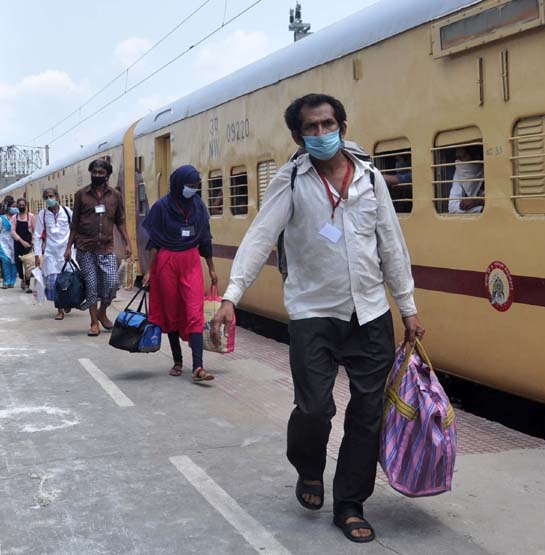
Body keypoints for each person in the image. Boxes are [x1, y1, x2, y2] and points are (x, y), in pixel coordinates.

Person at [211, 93, 424, 543]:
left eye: (329, 124)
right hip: (312, 313)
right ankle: (309, 467)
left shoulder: (370, 179)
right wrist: (231, 296)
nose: (322, 133)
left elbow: (392, 243)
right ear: (298, 135)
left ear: (343, 127)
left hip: (370, 314)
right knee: (314, 408)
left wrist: (408, 309)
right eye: (312, 127)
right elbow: (259, 237)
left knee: (368, 415)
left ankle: (349, 502)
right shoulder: (290, 181)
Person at [141, 165, 217, 382]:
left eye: (195, 186)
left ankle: (198, 366)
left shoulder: (199, 207)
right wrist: (149, 270)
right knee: (171, 311)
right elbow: (154, 242)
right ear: (177, 184)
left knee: (195, 311)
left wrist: (211, 268)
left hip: (191, 261)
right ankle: (177, 360)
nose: (191, 190)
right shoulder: (162, 207)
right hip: (166, 262)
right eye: (188, 185)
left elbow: (205, 238)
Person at [64, 159, 132, 336]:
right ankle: (94, 322)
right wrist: (68, 247)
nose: (97, 175)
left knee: (111, 283)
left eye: (101, 173)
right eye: (94, 172)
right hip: (85, 247)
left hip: (106, 247)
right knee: (92, 286)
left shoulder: (115, 196)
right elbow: (74, 222)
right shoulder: (81, 195)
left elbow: (120, 220)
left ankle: (102, 312)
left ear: (107, 175)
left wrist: (127, 242)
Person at [33, 188, 73, 320]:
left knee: (68, 282)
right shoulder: (43, 214)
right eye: (46, 197)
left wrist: (73, 248)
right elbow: (37, 235)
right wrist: (37, 255)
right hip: (50, 253)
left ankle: (67, 302)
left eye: (51, 196)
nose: (49, 199)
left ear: (57, 197)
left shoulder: (67, 212)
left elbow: (75, 230)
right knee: (53, 283)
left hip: (67, 253)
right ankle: (60, 309)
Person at [448, 146, 484, 214]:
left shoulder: (488, 171)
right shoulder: (460, 171)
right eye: (457, 158)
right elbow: (452, 207)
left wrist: (477, 201)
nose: (458, 161)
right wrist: (480, 209)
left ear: (476, 157)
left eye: (462, 157)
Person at [11, 197, 35, 292]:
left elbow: (34, 230)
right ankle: (22, 278)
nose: (21, 207)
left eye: (23, 205)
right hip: (18, 243)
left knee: (28, 263)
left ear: (26, 205)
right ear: (17, 206)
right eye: (19, 205)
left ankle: (27, 284)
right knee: (18, 263)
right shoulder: (14, 217)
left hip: (28, 244)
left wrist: (32, 241)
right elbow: (13, 231)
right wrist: (21, 241)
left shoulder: (31, 216)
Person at [0, 203, 16, 289]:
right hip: (3, 242)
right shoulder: (1, 219)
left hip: (14, 242)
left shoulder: (16, 218)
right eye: (13, 207)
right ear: (8, 208)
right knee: (6, 261)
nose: (15, 208)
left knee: (14, 261)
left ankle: (12, 282)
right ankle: (6, 281)